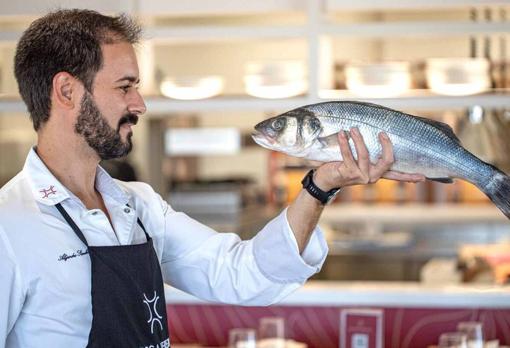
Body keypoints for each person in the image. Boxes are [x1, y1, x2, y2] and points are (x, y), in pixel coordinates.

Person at [0, 9, 425, 348]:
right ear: (67, 91)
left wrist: (320, 186)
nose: (140, 104)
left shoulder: (139, 207)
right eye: (125, 86)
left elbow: (241, 274)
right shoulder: (9, 226)